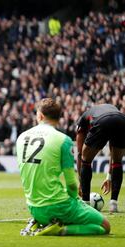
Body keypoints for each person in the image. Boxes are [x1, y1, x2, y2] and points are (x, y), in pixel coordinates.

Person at [16, 98, 110, 236]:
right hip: (59, 207)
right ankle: (60, 229)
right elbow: (72, 184)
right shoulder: (63, 140)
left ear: (40, 115)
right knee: (105, 226)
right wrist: (76, 200)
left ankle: (41, 222)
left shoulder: (21, 137)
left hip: (33, 207)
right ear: (59, 118)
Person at [76, 103, 125, 213]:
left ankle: (85, 203)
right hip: (122, 120)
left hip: (102, 121)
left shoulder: (83, 118)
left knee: (86, 160)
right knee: (117, 162)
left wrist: (81, 180)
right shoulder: (112, 109)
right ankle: (113, 204)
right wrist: (109, 176)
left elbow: (80, 153)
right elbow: (113, 149)